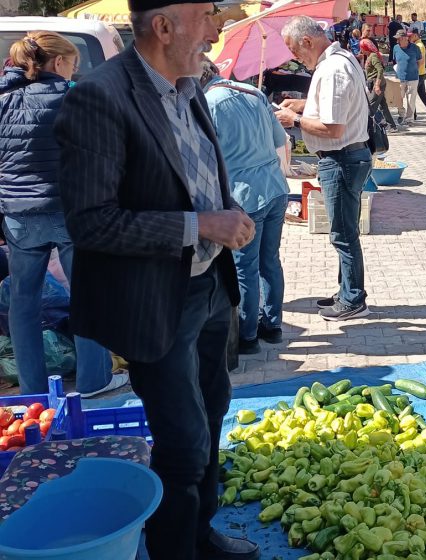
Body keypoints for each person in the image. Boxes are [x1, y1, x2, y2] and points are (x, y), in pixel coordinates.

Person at [54, 1, 259, 558]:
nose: (218, 30)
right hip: (155, 300)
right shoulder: (99, 97)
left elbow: (196, 176)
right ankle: (174, 550)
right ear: (163, 27)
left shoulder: (191, 84)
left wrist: (225, 212)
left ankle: (200, 534)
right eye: (208, 15)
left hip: (210, 285)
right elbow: (91, 222)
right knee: (184, 443)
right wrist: (201, 224)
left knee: (213, 412)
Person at [0, 32, 128, 398]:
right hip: (73, 211)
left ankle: (32, 390)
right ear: (58, 63)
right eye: (73, 64)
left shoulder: (3, 100)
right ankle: (93, 381)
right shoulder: (76, 97)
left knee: (23, 303)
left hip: (19, 215)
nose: (75, 71)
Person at [276, 16, 372, 321]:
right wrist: (304, 104)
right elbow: (337, 107)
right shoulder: (340, 59)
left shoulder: (332, 69)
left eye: (295, 51)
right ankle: (347, 290)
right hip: (346, 156)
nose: (296, 59)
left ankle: (353, 298)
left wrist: (295, 120)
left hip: (341, 157)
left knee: (343, 233)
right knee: (343, 230)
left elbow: (332, 128)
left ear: (307, 41)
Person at [201, 61, 289, 355]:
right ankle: (273, 325)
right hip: (275, 188)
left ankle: (248, 335)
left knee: (246, 268)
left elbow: (205, 158)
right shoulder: (253, 91)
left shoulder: (208, 103)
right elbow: (279, 139)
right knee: (270, 261)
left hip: (244, 196)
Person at [364, 36, 400, 133]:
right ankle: (392, 126)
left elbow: (380, 70)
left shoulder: (373, 56)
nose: (361, 50)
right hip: (377, 83)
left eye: (362, 48)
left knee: (371, 107)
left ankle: (367, 128)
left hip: (377, 84)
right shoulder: (369, 56)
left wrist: (376, 85)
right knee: (383, 106)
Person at [392, 30, 421, 126]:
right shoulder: (396, 48)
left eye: (398, 39)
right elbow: (395, 61)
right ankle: (401, 114)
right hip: (400, 78)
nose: (397, 41)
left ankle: (409, 119)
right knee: (398, 98)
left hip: (413, 78)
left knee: (411, 100)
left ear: (405, 38)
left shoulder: (415, 48)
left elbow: (420, 61)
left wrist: (414, 70)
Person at [410, 29, 426, 120]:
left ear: (416, 36)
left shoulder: (419, 46)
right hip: (421, 73)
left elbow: (420, 61)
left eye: (411, 36)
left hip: (418, 74)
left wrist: (413, 71)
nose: (409, 38)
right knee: (422, 94)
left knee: (412, 94)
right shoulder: (417, 45)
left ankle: (413, 115)